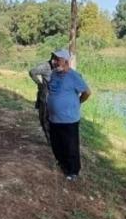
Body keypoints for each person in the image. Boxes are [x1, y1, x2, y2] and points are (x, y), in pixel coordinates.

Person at [37, 49, 90, 180]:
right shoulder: (54, 74)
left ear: (66, 61)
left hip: (69, 119)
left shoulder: (74, 76)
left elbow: (87, 92)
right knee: (56, 144)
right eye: (54, 59)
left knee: (70, 146)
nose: (54, 62)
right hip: (54, 118)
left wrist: (77, 102)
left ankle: (73, 172)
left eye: (57, 59)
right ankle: (62, 164)